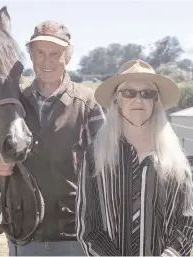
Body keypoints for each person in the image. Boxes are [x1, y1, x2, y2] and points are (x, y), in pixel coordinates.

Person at [0, 20, 105, 256]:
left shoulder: (88, 104)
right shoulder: (15, 104)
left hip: (73, 234)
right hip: (23, 232)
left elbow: (106, 165)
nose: (47, 61)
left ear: (68, 57)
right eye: (39, 53)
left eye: (55, 54)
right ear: (30, 57)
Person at [76, 59, 193, 256]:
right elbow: (88, 228)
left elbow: (187, 226)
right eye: (128, 92)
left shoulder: (176, 161)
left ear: (156, 102)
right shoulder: (95, 157)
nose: (138, 100)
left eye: (147, 94)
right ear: (116, 100)